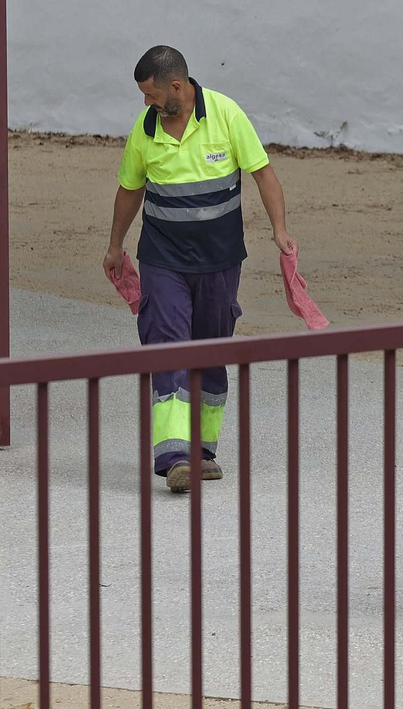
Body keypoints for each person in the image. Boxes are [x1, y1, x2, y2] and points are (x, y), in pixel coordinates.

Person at [103, 46, 296, 492]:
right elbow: (130, 189)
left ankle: (202, 452)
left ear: (176, 86)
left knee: (210, 350)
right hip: (163, 259)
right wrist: (115, 245)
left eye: (150, 95)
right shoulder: (144, 128)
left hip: (220, 261)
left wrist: (280, 231)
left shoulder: (226, 114)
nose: (146, 105)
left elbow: (263, 174)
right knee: (168, 345)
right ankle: (174, 457)